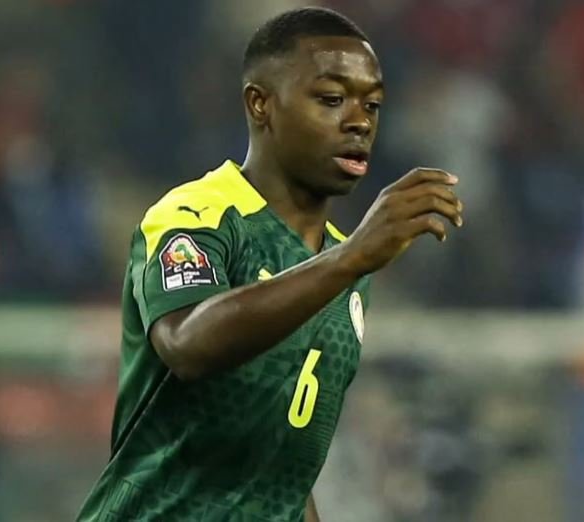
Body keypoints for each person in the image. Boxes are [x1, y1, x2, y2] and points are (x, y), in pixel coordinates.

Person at [76, 7, 464, 521]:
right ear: (261, 105)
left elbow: (282, 471)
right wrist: (349, 259)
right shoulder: (199, 215)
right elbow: (186, 344)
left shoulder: (346, 272)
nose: (359, 121)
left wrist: (347, 261)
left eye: (371, 104)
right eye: (331, 99)